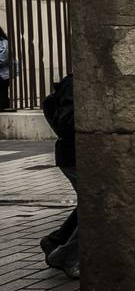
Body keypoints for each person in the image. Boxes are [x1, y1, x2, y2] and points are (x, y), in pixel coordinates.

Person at [39, 74, 80, 278]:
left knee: (91, 205)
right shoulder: (76, 82)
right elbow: (67, 121)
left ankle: (56, 241)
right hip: (74, 156)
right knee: (100, 208)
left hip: (75, 155)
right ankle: (67, 255)